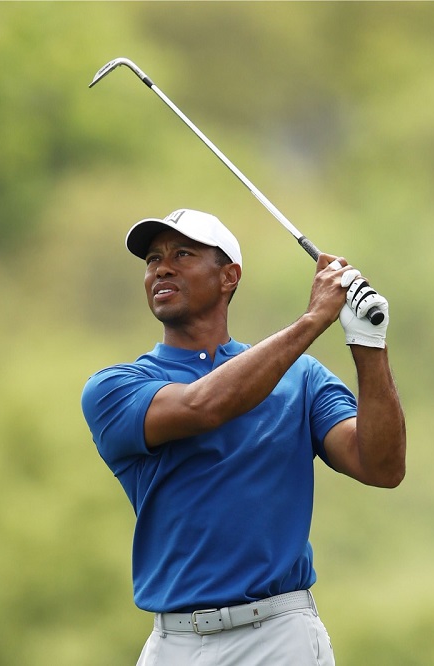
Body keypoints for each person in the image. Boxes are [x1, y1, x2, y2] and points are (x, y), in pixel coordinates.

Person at [81, 208, 406, 665]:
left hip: (279, 636)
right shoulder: (115, 388)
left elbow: (382, 467)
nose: (162, 268)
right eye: (153, 259)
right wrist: (313, 320)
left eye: (182, 254)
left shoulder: (302, 377)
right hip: (174, 643)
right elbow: (204, 406)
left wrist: (370, 345)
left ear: (228, 277)